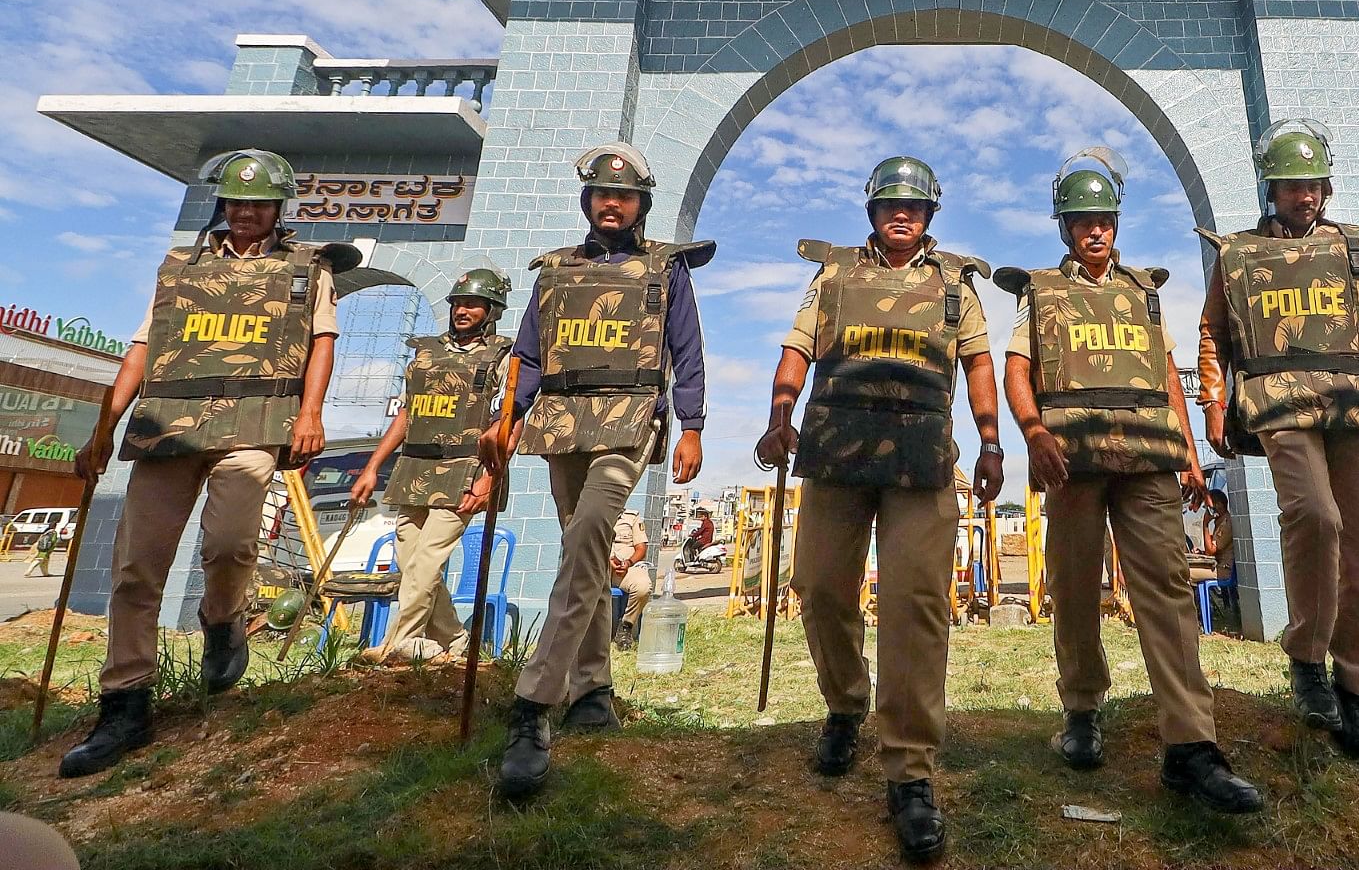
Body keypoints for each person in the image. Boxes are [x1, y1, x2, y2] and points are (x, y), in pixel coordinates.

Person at [63, 150, 356, 777]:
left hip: (253, 425)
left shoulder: (308, 269)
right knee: (137, 565)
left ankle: (223, 620)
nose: (245, 212)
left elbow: (321, 345)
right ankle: (125, 702)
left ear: (280, 208)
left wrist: (310, 415)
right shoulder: (180, 268)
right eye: (234, 201)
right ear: (221, 205)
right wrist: (103, 426)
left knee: (228, 544)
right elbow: (144, 346)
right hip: (168, 427)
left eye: (258, 203)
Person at [998, 149, 1262, 814]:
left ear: (1117, 224)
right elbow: (1016, 369)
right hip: (1073, 458)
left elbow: (1167, 370)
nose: (1095, 231)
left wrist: (1190, 450)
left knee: (1169, 592)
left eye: (1105, 220)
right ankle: (1082, 710)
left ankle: (1192, 745)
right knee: (1075, 585)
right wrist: (1032, 433)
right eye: (1082, 221)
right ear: (1064, 227)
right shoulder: (1041, 292)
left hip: (1147, 456)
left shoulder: (1143, 291)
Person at [756, 156, 1001, 863]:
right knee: (820, 586)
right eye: (892, 204)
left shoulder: (956, 282)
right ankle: (843, 705)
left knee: (916, 603)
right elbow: (796, 350)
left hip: (922, 461)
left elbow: (980, 363)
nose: (903, 214)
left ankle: (911, 769)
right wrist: (780, 413)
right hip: (837, 451)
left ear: (930, 215)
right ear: (872, 211)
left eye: (915, 206)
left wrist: (990, 443)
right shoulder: (832, 276)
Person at [1195, 119, 1359, 776]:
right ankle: (1306, 658)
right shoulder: (1239, 255)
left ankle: (1354, 693)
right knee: (1314, 516)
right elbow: (1213, 335)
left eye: (1313, 186)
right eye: (1290, 186)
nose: (1304, 197)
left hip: (1354, 408)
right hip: (1278, 405)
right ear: (1271, 189)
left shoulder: (1358, 251)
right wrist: (1214, 401)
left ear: (1326, 187)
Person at [481, 143, 712, 801]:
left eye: (626, 195)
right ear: (588, 202)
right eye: (602, 194)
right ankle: (593, 690)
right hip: (560, 424)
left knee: (587, 542)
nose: (612, 203)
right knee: (579, 551)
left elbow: (687, 351)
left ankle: (533, 705)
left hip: (630, 422)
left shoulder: (666, 268)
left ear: (642, 203)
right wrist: (505, 418)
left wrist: (691, 424)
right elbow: (527, 353)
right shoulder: (554, 270)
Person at [349, 267, 513, 664]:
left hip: (464, 470)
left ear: (491, 311)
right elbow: (408, 413)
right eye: (458, 303)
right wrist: (373, 466)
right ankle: (457, 640)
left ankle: (398, 643)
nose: (462, 310)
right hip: (414, 470)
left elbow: (508, 421)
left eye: (472, 304)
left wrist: (490, 478)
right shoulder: (425, 351)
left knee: (427, 560)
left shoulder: (503, 356)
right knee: (410, 563)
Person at [611, 508, 653, 650]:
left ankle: (626, 626)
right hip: (597, 566)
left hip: (625, 568)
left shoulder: (631, 517)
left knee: (643, 586)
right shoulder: (593, 512)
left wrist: (628, 563)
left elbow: (641, 547)